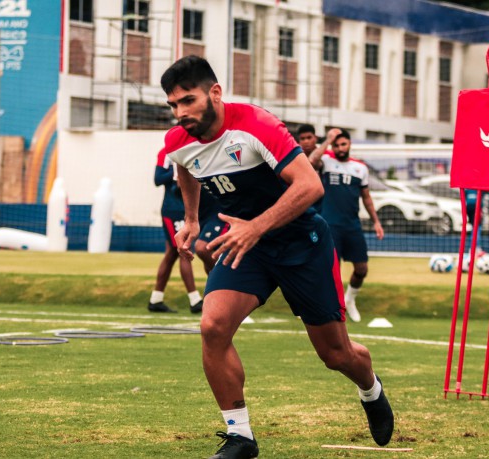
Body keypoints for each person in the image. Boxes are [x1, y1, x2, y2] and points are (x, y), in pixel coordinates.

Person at [161, 56, 393, 459]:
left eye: (188, 100)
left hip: (302, 244)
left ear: (215, 92)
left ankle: (370, 387)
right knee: (213, 326)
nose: (180, 113)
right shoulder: (178, 142)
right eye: (173, 105)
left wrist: (256, 226)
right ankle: (241, 437)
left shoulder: (255, 125)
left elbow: (309, 186)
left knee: (335, 355)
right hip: (246, 246)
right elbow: (185, 170)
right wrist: (193, 220)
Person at [308, 128, 384, 322]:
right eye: (337, 145)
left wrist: (376, 221)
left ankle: (350, 299)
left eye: (343, 144)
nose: (340, 148)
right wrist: (327, 141)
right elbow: (311, 162)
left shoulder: (360, 168)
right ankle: (332, 308)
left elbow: (366, 198)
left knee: (362, 269)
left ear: (349, 144)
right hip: (329, 225)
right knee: (332, 270)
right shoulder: (326, 161)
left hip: (352, 226)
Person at [149, 148, 205, 314]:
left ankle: (156, 299)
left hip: (188, 208)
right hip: (173, 208)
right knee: (183, 249)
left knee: (172, 253)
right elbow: (157, 179)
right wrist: (176, 173)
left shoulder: (199, 147)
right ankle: (195, 300)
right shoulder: (167, 152)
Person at [464, 189, 489, 258]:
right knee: (477, 228)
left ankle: (474, 249)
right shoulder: (480, 187)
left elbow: (463, 196)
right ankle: (475, 249)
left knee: (474, 227)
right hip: (476, 207)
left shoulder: (468, 189)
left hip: (468, 208)